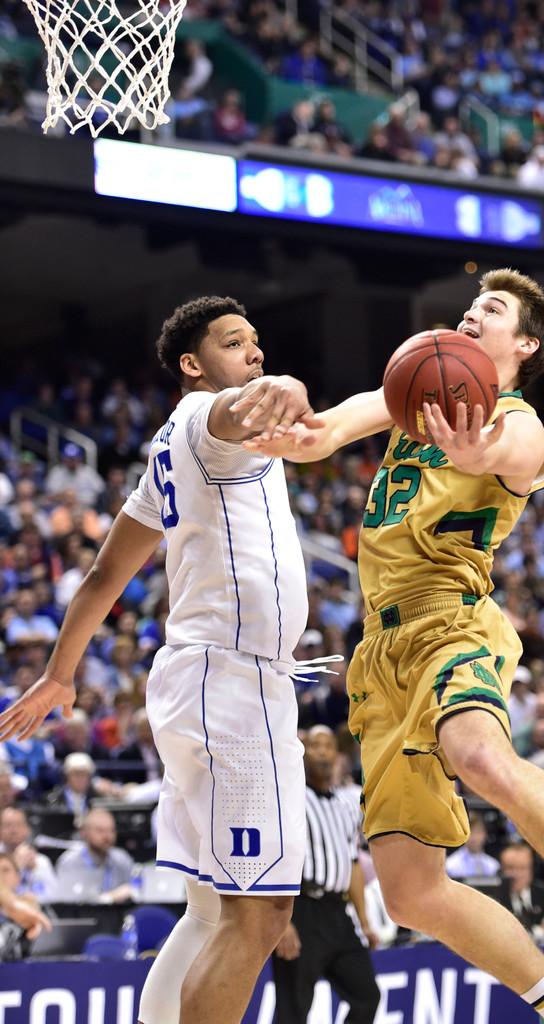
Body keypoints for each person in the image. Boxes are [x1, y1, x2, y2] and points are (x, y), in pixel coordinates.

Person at [243, 268, 544, 1024]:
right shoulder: (408, 390)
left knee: (479, 756)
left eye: (493, 308)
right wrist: (288, 430)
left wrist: (468, 447)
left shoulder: (521, 424)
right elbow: (323, 435)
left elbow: (493, 455)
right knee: (410, 894)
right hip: (378, 654)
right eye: (472, 304)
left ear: (525, 342)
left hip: (452, 616)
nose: (472, 313)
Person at [0, 294, 319, 1024]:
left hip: (207, 680)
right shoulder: (210, 417)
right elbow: (253, 403)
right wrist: (286, 392)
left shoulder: (167, 454)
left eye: (257, 344)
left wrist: (59, 675)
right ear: (192, 364)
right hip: (229, 682)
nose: (254, 353)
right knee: (260, 916)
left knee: (213, 912)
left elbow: (102, 579)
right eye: (236, 343)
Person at [272, 725, 380, 1024]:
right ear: (302, 752)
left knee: (367, 996)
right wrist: (282, 921)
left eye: (329, 745)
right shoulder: (288, 799)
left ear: (337, 754)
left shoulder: (346, 805)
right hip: (301, 910)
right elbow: (273, 860)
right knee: (293, 1011)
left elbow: (353, 865)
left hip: (338, 913)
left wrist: (365, 922)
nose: (322, 751)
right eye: (315, 745)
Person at [53, 806, 134, 903]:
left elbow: (136, 891)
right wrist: (109, 898)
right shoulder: (70, 863)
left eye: (111, 830)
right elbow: (67, 902)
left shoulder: (122, 859)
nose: (107, 836)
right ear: (83, 833)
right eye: (100, 830)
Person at [499, 840, 544, 937]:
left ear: (531, 869)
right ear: (501, 870)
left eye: (522, 868)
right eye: (510, 868)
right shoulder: (495, 898)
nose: (516, 874)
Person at [445, 810, 500, 878]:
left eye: (478, 832)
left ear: (485, 833)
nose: (474, 838)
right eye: (470, 834)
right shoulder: (450, 866)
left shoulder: (493, 866)